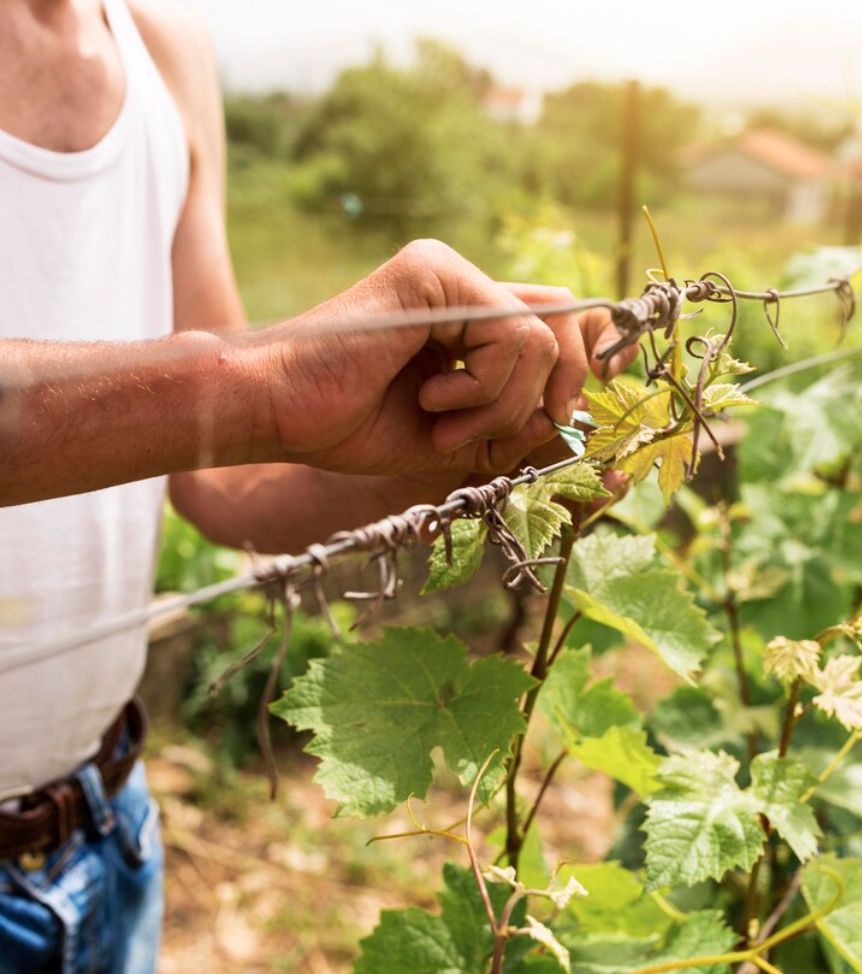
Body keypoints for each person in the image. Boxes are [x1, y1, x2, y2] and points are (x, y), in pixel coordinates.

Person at [0, 1, 635, 971]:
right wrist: (260, 384)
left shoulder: (161, 49)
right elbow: (240, 403)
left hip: (105, 828)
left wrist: (449, 447)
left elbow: (224, 472)